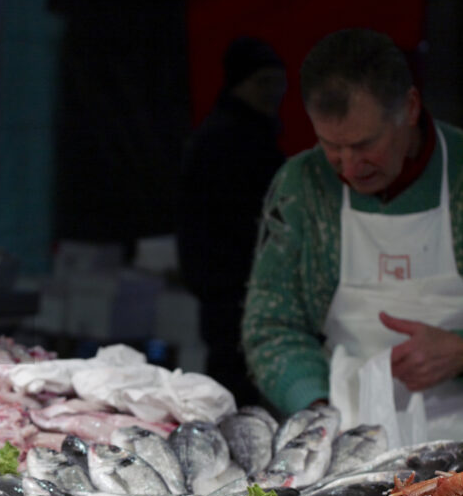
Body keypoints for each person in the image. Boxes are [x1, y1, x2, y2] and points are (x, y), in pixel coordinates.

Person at [243, 28, 463, 438]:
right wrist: (319, 410)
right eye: (332, 146)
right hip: (347, 435)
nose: (348, 166)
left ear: (410, 108)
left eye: (365, 145)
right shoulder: (302, 186)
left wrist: (459, 351)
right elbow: (271, 326)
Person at [178, 36, 287, 406]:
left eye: (278, 82)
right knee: (234, 385)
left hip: (244, 285)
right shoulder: (223, 139)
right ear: (239, 83)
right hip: (232, 288)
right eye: (263, 82)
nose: (273, 92)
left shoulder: (255, 133)